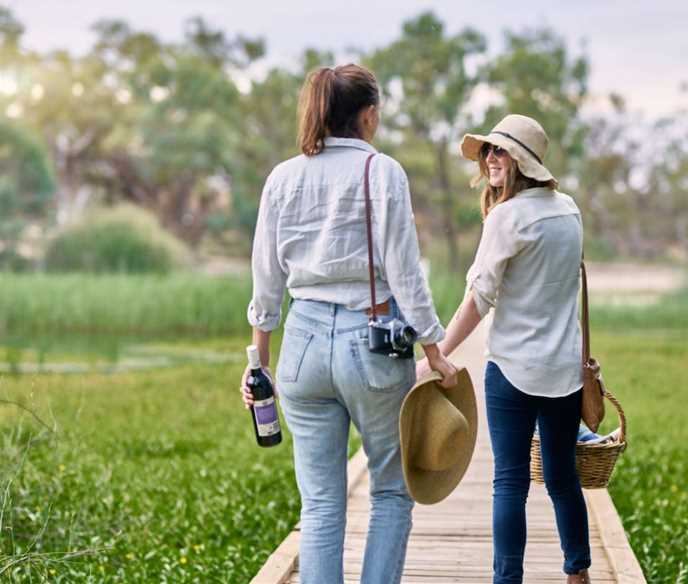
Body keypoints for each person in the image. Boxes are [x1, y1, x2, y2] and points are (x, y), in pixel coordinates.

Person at [240, 63, 460, 584]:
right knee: (390, 490)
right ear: (369, 115)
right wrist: (435, 352)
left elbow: (265, 282)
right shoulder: (382, 172)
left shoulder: (283, 177)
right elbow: (406, 275)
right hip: (373, 342)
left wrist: (259, 363)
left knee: (319, 503)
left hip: (301, 346)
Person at [415, 114, 592, 584]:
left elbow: (478, 298)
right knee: (561, 478)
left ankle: (507, 579)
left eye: (500, 151)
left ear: (523, 162)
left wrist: (438, 354)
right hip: (564, 370)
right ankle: (578, 572)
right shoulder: (569, 210)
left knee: (509, 482)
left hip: (513, 368)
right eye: (487, 151)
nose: (490, 159)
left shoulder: (507, 217)